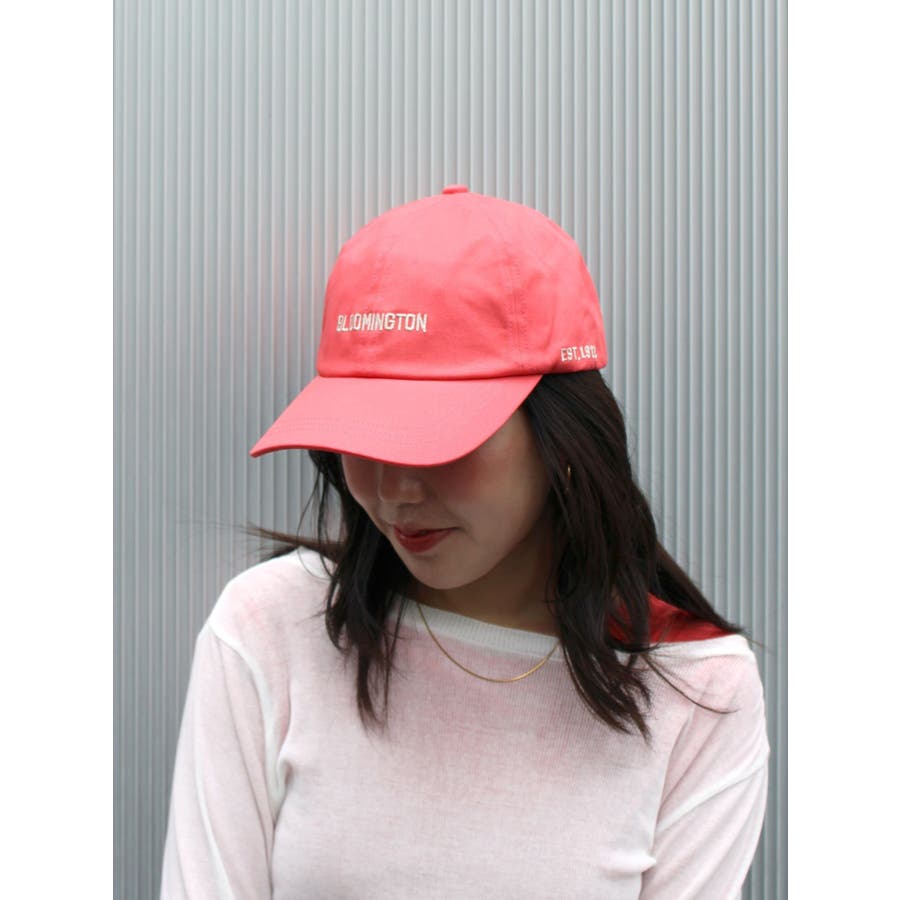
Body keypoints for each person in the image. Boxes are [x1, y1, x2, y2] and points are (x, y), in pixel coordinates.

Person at [159, 186, 769, 899]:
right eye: (362, 435)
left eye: (438, 438)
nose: (395, 490)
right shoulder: (269, 628)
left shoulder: (698, 688)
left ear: (561, 435)